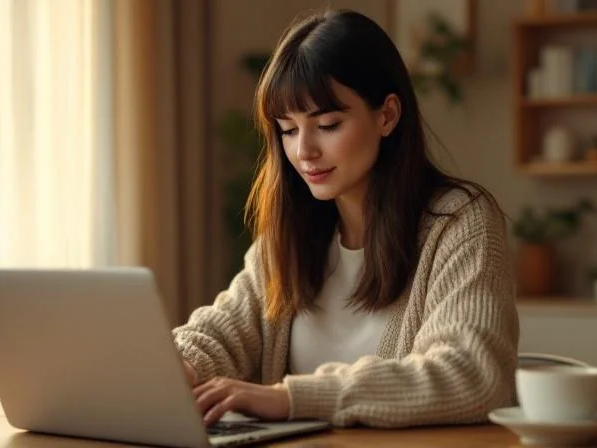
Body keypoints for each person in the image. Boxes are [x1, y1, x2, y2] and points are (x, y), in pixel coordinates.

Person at [172, 8, 519, 429]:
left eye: (328, 124)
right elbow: (220, 333)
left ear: (387, 116)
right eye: (287, 129)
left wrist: (291, 398)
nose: (304, 152)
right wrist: (175, 368)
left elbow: (473, 374)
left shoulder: (459, 223)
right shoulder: (291, 233)